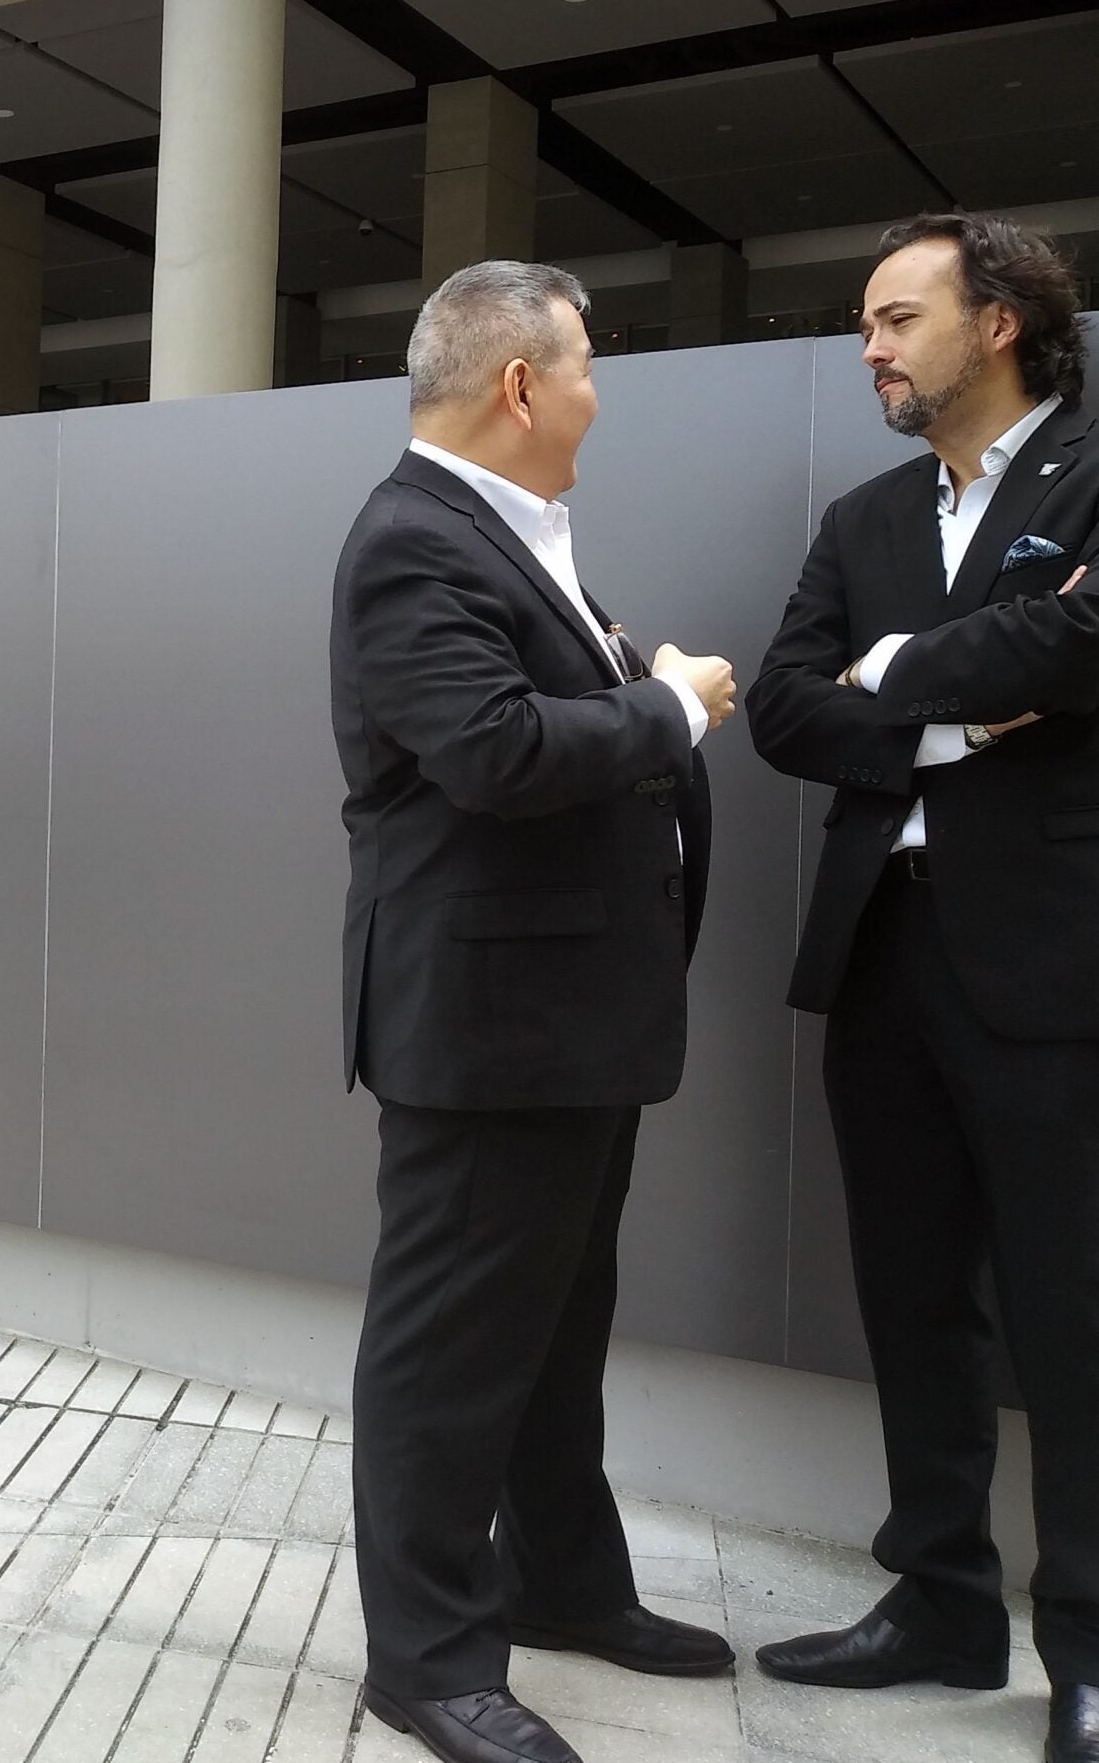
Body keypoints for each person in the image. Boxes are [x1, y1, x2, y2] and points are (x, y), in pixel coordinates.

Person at [746, 213, 1099, 1763]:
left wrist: (900, 674)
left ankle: (1090, 1660)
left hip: (1062, 953)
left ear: (997, 320)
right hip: (888, 946)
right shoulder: (863, 511)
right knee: (915, 1293)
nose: (869, 346)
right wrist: (963, 701)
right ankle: (938, 1601)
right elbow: (787, 709)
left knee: (1076, 1319)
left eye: (894, 317)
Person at [330, 260, 739, 1763]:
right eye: (585, 367)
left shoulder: (513, 536)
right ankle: (428, 1657)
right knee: (450, 1345)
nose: (594, 394)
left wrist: (638, 688)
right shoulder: (412, 543)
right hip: (490, 1027)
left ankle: (567, 1584)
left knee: (559, 1326)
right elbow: (494, 751)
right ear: (520, 384)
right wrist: (675, 701)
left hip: (572, 1016)